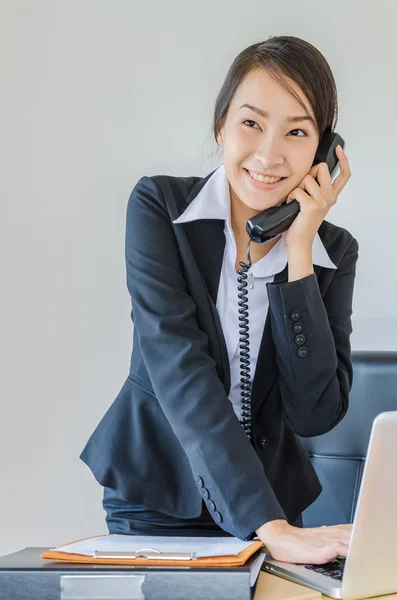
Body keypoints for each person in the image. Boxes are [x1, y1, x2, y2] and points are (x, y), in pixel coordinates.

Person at [80, 35, 358, 566]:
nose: (269, 154)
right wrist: (268, 524)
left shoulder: (333, 252)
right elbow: (180, 370)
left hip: (277, 499)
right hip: (159, 490)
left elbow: (314, 413)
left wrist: (299, 253)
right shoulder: (160, 209)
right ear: (221, 127)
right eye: (251, 123)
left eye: (297, 131)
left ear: (323, 152)